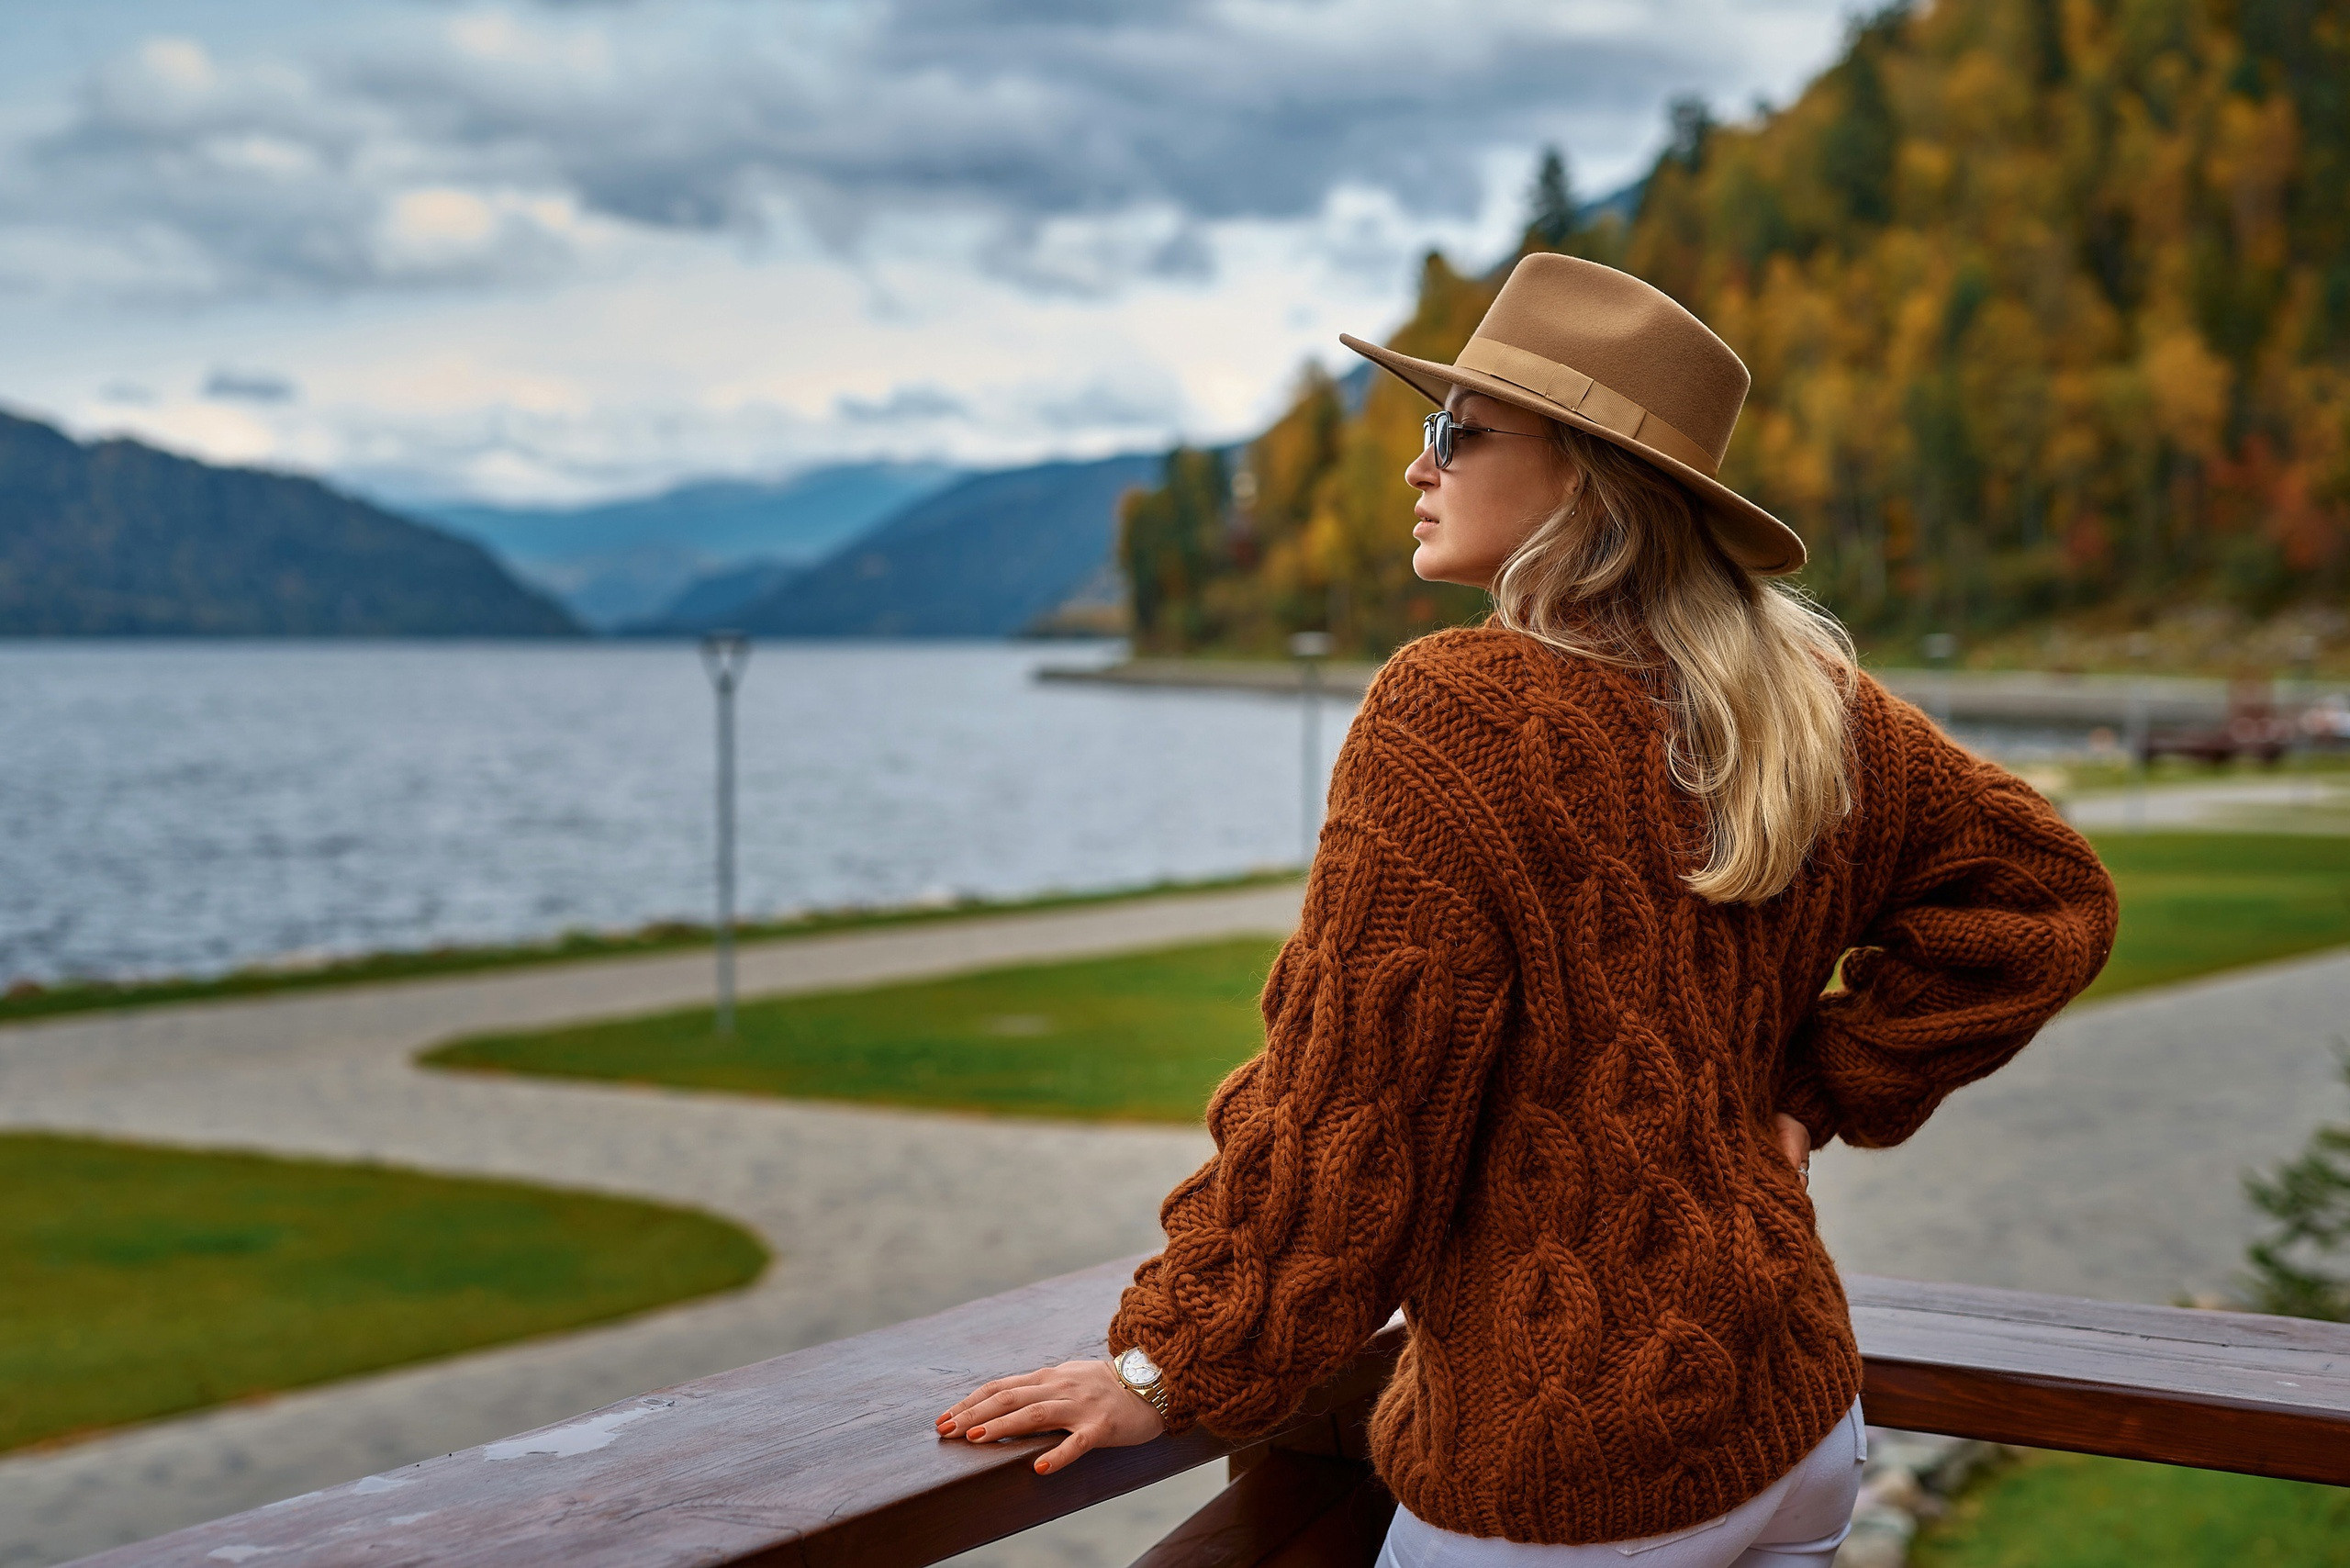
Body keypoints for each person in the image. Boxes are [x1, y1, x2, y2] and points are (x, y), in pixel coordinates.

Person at [939, 254, 2119, 1564]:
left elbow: (1350, 1112)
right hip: (1791, 1419)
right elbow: (2042, 899)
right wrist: (1806, 1093)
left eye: (1455, 429)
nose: (1417, 465)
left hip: (1569, 1477)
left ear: (1583, 472)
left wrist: (1167, 1371)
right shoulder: (1813, 709)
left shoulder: (1453, 717)